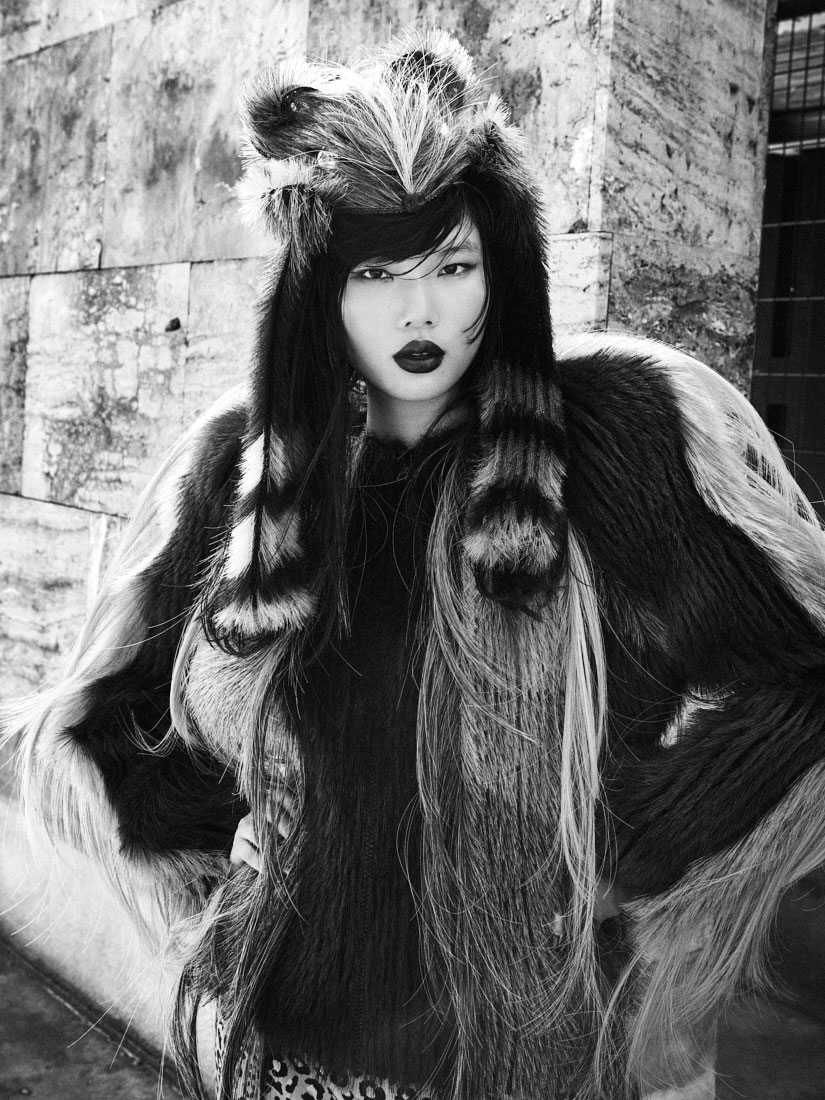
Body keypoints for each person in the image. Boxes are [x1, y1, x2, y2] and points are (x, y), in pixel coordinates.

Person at [11, 27, 825, 1100]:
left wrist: (634, 845)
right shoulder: (242, 466)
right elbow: (105, 721)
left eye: (453, 265)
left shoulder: (618, 444)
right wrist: (233, 835)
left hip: (530, 1045)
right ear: (319, 288)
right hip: (281, 1035)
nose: (420, 310)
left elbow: (803, 682)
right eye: (376, 272)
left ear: (503, 267)